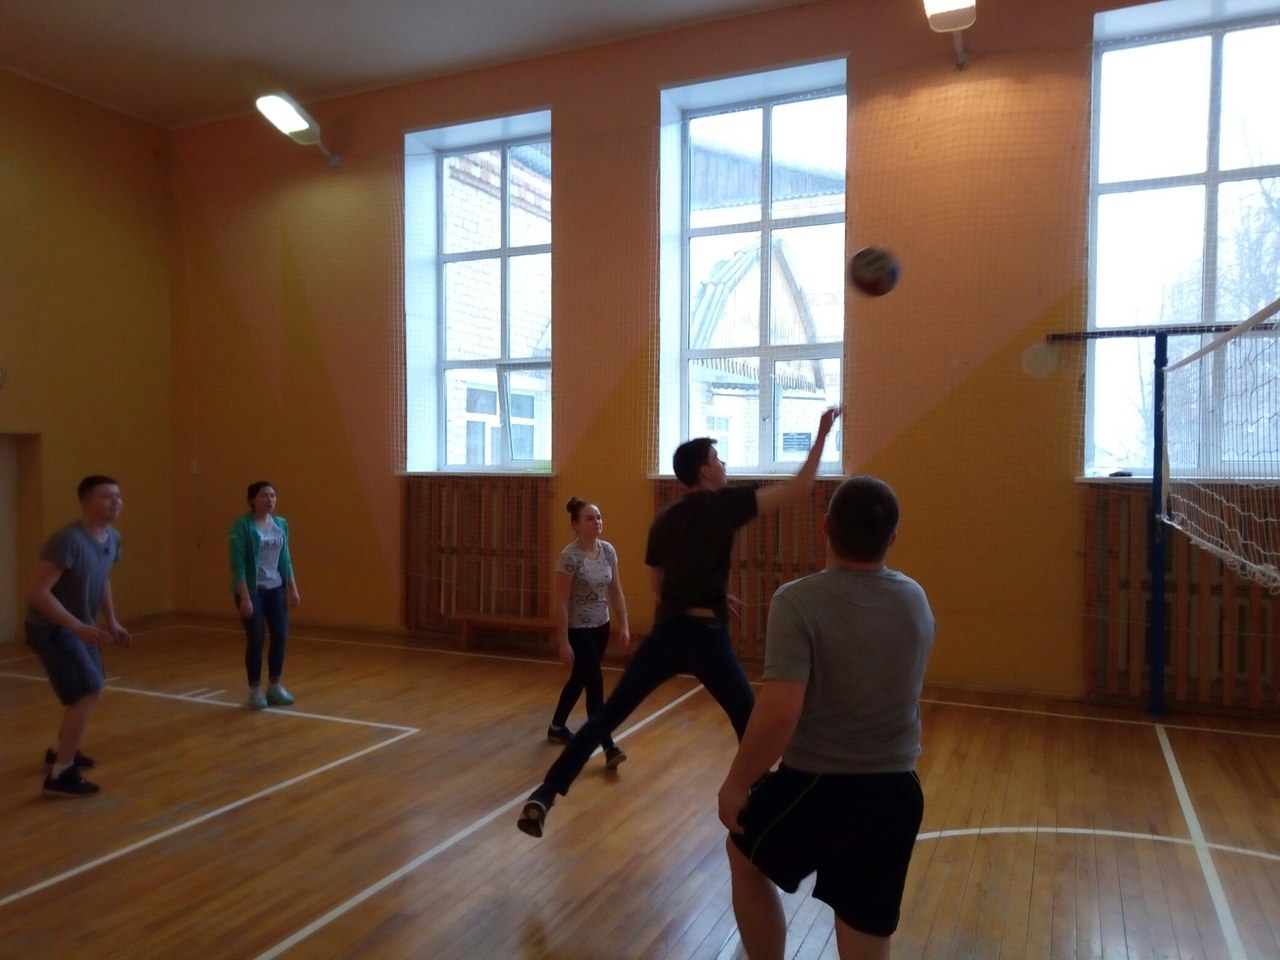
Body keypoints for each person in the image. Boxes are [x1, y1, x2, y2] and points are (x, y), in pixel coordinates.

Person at [517, 407, 841, 837]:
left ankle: (545, 793)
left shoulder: (664, 519)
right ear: (705, 471)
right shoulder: (724, 505)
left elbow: (659, 585)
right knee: (750, 722)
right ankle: (768, 804)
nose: (724, 465)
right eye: (718, 459)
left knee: (607, 716)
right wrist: (821, 434)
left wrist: (711, 592)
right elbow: (800, 488)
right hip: (707, 637)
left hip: (667, 635)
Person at [716, 476, 935, 960]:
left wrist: (737, 782)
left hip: (817, 786)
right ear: (892, 538)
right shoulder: (914, 597)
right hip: (896, 792)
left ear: (825, 526)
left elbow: (780, 712)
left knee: (742, 854)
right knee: (863, 925)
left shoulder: (797, 601)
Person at [25, 475, 132, 797]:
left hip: (82, 625)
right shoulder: (68, 540)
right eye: (107, 496)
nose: (116, 501)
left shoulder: (112, 537)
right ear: (87, 503)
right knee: (88, 690)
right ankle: (61, 774)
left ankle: (60, 749)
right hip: (51, 627)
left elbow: (103, 579)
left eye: (118, 495)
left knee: (90, 687)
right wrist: (75, 626)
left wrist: (111, 620)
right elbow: (38, 592)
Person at [546, 497, 631, 768]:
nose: (597, 522)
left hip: (601, 626)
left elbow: (615, 590)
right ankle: (609, 746)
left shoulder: (608, 551)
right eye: (590, 518)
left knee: (580, 678)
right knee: (595, 685)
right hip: (578, 630)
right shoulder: (568, 557)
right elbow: (561, 603)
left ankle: (556, 727)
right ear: (576, 525)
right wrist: (563, 643)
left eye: (598, 517)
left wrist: (624, 624)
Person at [229, 481, 300, 710]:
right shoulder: (242, 526)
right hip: (253, 591)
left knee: (280, 636)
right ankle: (255, 689)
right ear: (252, 500)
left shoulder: (280, 524)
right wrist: (245, 597)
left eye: (272, 495)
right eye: (263, 495)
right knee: (256, 639)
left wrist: (292, 588)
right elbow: (238, 564)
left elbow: (285, 558)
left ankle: (275, 686)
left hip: (275, 589)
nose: (269, 499)